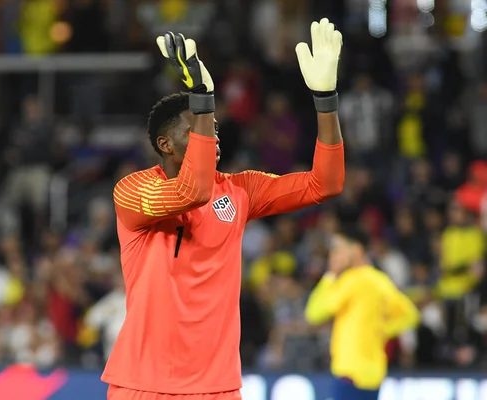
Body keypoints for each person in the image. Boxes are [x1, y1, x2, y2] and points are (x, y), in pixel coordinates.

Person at [104, 19, 345, 400]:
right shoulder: (133, 190)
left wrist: (326, 99)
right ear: (165, 144)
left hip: (217, 386)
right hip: (144, 383)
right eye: (198, 128)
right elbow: (192, 191)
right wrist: (202, 97)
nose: (211, 136)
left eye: (214, 127)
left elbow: (325, 183)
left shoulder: (239, 189)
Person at [305, 227, 420, 400]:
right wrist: (384, 330)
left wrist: (330, 275)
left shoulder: (351, 281)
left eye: (338, 249)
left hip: (350, 373)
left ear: (356, 249)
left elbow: (314, 314)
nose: (334, 255)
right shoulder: (380, 280)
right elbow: (411, 315)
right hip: (374, 375)